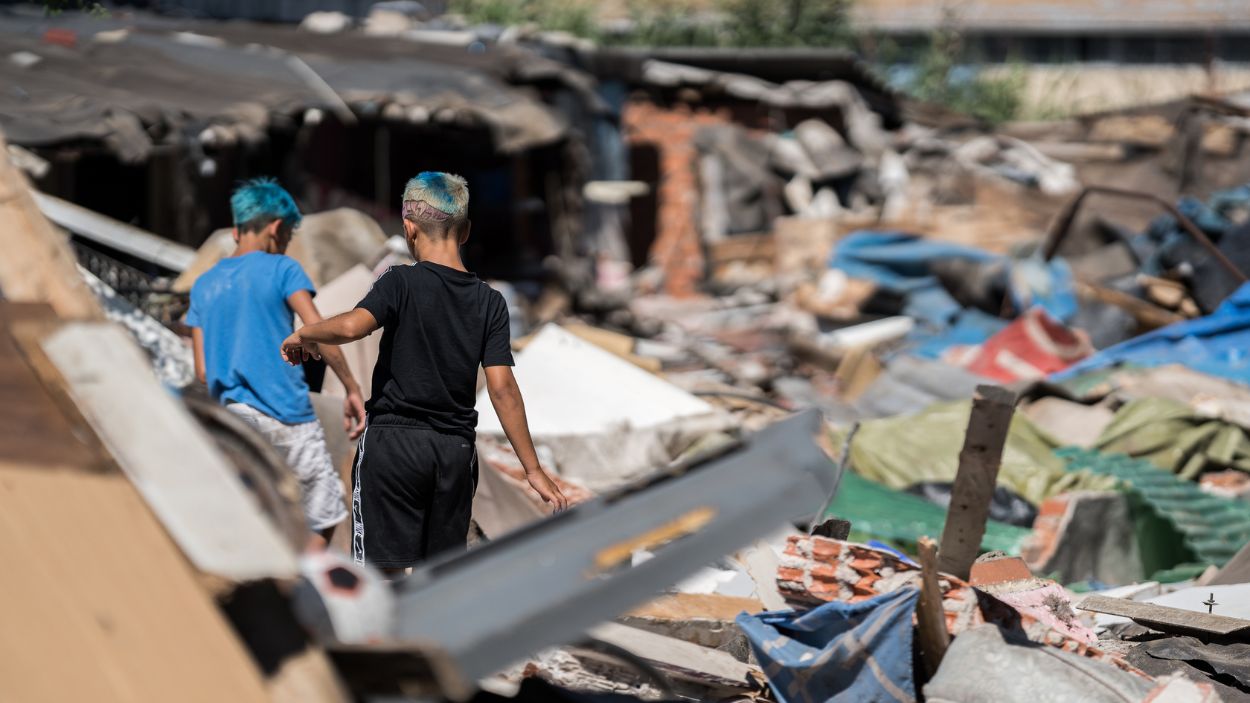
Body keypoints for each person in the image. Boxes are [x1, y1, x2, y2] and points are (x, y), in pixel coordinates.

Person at [279, 171, 567, 573]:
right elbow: (503, 391)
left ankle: (383, 636)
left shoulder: (399, 282)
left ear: (409, 228)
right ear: (464, 232)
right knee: (440, 578)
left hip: (392, 446)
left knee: (381, 575)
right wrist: (533, 470)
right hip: (453, 452)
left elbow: (350, 327)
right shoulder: (490, 302)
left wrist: (304, 333)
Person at [186, 177, 366, 548]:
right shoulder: (282, 270)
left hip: (234, 424)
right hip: (287, 416)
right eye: (287, 237)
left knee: (255, 518)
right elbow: (317, 330)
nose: (285, 244)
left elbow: (202, 372)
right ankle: (303, 586)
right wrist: (351, 386)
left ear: (237, 229)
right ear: (276, 228)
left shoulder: (204, 285)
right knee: (324, 515)